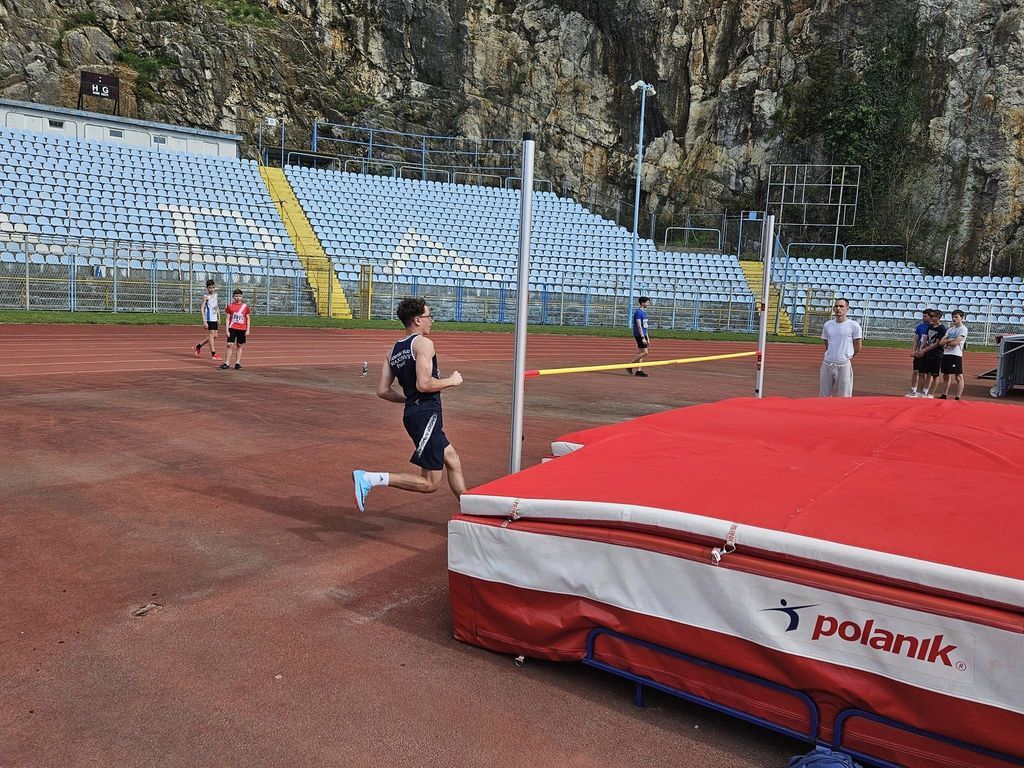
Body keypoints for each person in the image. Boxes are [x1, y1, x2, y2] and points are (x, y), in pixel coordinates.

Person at [352, 297, 466, 512]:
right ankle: (370, 478)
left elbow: (383, 391)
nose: (432, 321)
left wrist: (408, 399)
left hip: (416, 413)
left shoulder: (392, 352)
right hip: (426, 415)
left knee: (452, 459)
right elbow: (424, 384)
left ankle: (469, 505)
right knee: (430, 483)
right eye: (429, 316)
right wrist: (452, 380)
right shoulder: (423, 344)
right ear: (417, 320)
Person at [819, 297, 863, 397]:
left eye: (841, 306)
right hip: (827, 364)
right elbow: (827, 343)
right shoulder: (827, 325)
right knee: (824, 395)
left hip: (844, 365)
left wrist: (846, 356)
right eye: (836, 306)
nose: (838, 308)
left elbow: (858, 346)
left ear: (847, 308)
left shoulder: (854, 325)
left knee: (844, 396)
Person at [912, 310, 947, 398]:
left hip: (936, 354)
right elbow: (926, 339)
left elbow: (937, 343)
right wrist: (920, 350)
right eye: (930, 316)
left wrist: (924, 350)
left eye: (932, 316)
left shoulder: (942, 329)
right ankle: (919, 392)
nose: (930, 318)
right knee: (922, 372)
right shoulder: (930, 326)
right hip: (927, 353)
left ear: (938, 317)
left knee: (934, 375)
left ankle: (930, 394)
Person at [938, 309, 968, 400]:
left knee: (958, 376)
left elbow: (956, 343)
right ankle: (944, 395)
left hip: (955, 355)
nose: (954, 319)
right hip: (946, 354)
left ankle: (957, 397)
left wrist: (947, 343)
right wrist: (949, 340)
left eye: (956, 317)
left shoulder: (963, 329)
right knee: (946, 375)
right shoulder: (950, 329)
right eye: (953, 317)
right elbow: (941, 342)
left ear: (961, 318)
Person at [220, 289, 251, 370]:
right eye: (236, 296)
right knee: (229, 344)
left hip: (242, 328)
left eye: (240, 296)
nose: (238, 297)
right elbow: (227, 318)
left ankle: (237, 362)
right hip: (232, 327)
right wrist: (226, 330)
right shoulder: (230, 306)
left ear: (242, 297)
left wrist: (248, 330)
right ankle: (227, 363)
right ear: (233, 297)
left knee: (239, 345)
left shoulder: (245, 306)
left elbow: (248, 318)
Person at [905, 308, 933, 397]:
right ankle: (913, 390)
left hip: (928, 353)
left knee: (927, 373)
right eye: (923, 316)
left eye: (925, 316)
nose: (923, 318)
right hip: (918, 352)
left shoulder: (933, 327)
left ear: (930, 317)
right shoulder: (920, 326)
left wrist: (925, 350)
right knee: (916, 371)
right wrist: (914, 350)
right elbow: (916, 339)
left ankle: (924, 392)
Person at [193, 279, 223, 361]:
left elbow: (217, 307)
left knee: (214, 336)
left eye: (213, 287)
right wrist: (204, 321)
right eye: (210, 287)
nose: (211, 289)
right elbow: (202, 308)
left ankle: (198, 346)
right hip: (209, 318)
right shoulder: (206, 297)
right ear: (207, 288)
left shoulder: (216, 295)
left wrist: (219, 317)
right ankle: (213, 354)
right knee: (211, 335)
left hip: (215, 318)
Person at [627, 296, 651, 377]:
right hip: (639, 335)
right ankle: (630, 364)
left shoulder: (644, 313)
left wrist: (647, 337)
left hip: (644, 334)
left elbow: (645, 326)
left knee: (641, 352)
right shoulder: (638, 312)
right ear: (642, 303)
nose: (648, 304)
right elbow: (639, 326)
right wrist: (643, 337)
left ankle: (639, 370)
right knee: (645, 352)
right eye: (647, 302)